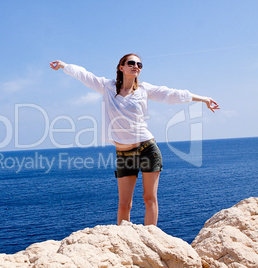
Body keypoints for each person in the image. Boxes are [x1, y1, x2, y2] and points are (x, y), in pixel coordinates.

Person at [49, 53, 219, 226]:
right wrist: (64, 66)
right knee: (124, 204)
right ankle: (123, 242)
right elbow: (84, 75)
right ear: (121, 67)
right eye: (131, 63)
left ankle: (152, 239)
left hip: (147, 149)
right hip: (124, 155)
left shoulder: (144, 90)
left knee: (149, 198)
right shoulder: (107, 87)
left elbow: (171, 94)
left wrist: (203, 99)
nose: (136, 66)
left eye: (139, 64)